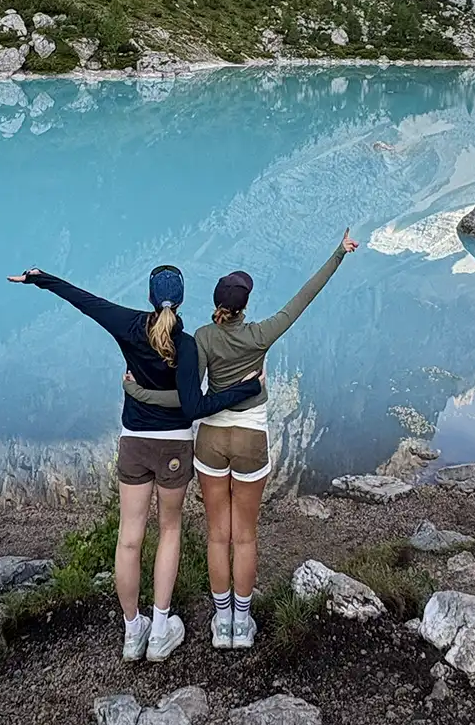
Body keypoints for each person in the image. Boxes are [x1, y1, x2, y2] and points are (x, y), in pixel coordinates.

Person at [10, 263, 264, 663]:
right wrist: (248, 387)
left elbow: (85, 302)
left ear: (149, 297)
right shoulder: (186, 345)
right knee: (169, 530)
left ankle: (133, 632)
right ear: (180, 301)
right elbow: (195, 407)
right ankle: (161, 631)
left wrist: (41, 279)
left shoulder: (129, 325)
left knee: (129, 538)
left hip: (134, 443)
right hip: (174, 448)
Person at [123, 229, 357, 649]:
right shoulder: (261, 334)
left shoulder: (201, 338)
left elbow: (186, 397)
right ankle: (241, 626)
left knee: (217, 534)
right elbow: (305, 298)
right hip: (250, 438)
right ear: (244, 306)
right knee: (244, 535)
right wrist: (338, 253)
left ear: (217, 305)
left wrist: (137, 392)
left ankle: (220, 622)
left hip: (211, 440)